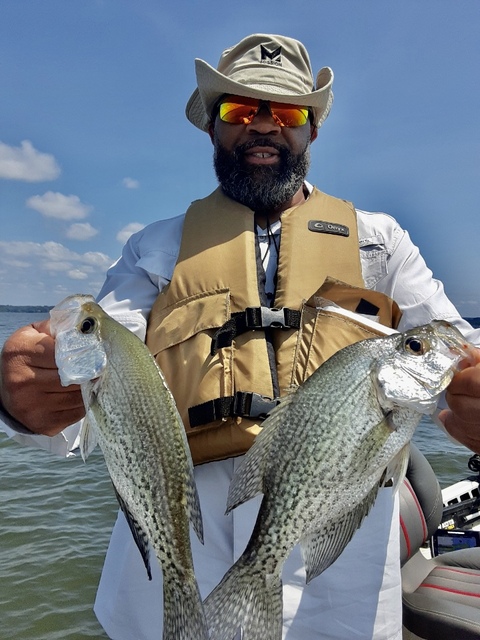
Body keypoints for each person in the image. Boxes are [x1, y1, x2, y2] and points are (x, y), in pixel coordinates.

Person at [1, 33, 480, 640]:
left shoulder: (382, 242)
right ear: (211, 127)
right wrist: (30, 398)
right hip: (175, 575)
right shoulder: (154, 249)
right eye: (237, 110)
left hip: (342, 586)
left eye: (286, 113)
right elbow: (99, 379)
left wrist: (470, 402)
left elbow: (454, 360)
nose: (263, 127)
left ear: (311, 130)